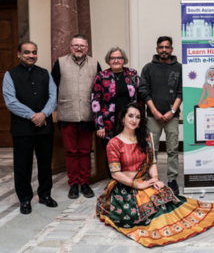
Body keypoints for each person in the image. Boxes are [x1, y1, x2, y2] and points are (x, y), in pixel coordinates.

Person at [96, 103, 214, 247]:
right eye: (130, 116)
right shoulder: (114, 143)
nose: (134, 120)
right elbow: (115, 174)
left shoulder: (145, 139)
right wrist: (138, 184)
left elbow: (151, 163)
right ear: (123, 119)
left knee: (166, 198)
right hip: (125, 187)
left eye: (138, 117)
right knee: (144, 213)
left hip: (145, 181)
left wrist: (155, 179)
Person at [2, 41, 57, 214]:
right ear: (19, 54)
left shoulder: (45, 73)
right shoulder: (10, 75)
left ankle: (45, 195)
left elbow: (53, 97)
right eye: (26, 52)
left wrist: (44, 114)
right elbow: (11, 101)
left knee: (45, 164)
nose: (31, 55)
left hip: (45, 128)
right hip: (22, 129)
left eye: (34, 52)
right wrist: (33, 116)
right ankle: (25, 199)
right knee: (22, 166)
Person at [52, 34, 102, 199]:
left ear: (87, 48)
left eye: (82, 46)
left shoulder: (95, 64)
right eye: (76, 45)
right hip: (67, 114)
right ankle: (73, 184)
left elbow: (101, 89)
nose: (79, 48)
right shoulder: (60, 63)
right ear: (70, 47)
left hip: (88, 115)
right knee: (71, 151)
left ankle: (85, 183)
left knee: (86, 151)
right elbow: (53, 88)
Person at [139, 36, 182, 195]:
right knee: (152, 149)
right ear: (157, 49)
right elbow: (144, 91)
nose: (164, 50)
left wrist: (171, 112)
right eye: (161, 47)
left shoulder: (179, 68)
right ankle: (152, 179)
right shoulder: (148, 68)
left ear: (171, 49)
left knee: (172, 149)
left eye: (167, 47)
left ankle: (172, 179)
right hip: (152, 116)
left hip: (172, 116)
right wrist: (155, 112)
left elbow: (181, 91)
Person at [92, 46, 141, 178]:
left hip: (130, 122)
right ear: (108, 60)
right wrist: (100, 125)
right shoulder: (101, 76)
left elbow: (140, 98)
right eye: (112, 58)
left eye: (119, 57)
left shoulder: (133, 74)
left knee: (130, 151)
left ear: (124, 59)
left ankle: (129, 179)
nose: (116, 60)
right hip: (109, 124)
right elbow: (95, 101)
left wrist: (140, 119)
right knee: (112, 153)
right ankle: (114, 180)